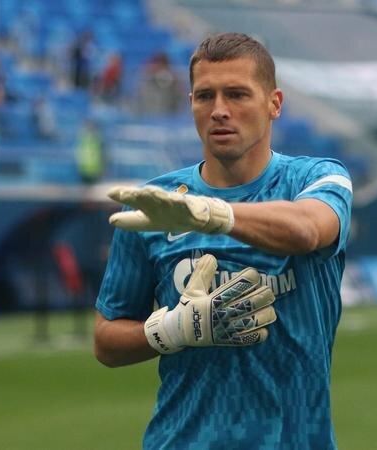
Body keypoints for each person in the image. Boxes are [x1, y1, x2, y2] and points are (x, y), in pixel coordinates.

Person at [94, 33, 353, 449]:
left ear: (274, 103)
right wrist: (174, 329)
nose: (219, 110)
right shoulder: (157, 205)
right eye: (204, 96)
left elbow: (307, 229)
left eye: (236, 94)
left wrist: (214, 215)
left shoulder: (316, 178)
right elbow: (106, 341)